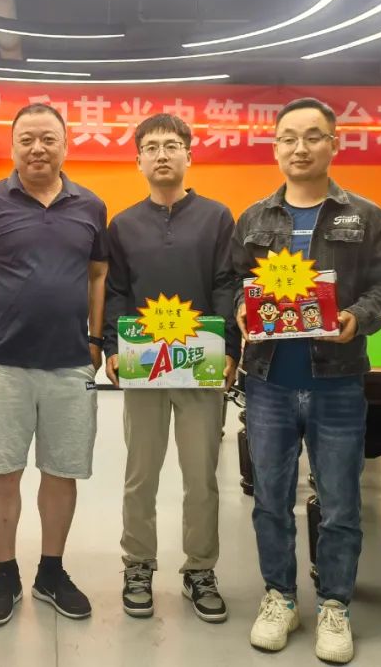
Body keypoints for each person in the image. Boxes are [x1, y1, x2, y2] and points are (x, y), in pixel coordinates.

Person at [232, 98, 381, 664]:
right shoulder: (254, 219)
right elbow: (234, 282)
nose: (299, 147)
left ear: (334, 143)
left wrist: (358, 316)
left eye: (312, 136)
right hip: (269, 383)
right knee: (270, 500)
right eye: (288, 138)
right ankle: (279, 597)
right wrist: (240, 308)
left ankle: (335, 605)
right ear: (275, 146)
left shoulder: (368, 217)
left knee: (340, 503)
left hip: (338, 382)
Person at [0, 103, 108, 627]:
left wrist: (95, 340)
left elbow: (98, 275)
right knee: (2, 471)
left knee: (62, 472)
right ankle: (5, 573)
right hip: (2, 362)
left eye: (48, 138)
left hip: (70, 364)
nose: (37, 148)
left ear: (65, 144)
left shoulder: (91, 205)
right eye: (27, 139)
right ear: (13, 145)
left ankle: (51, 572)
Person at [102, 113, 238, 623]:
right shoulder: (123, 224)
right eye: (152, 147)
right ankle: (138, 564)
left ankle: (200, 569)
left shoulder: (217, 217)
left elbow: (226, 283)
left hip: (201, 364)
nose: (162, 154)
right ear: (138, 160)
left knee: (201, 476)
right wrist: (113, 346)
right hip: (144, 366)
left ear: (189, 155)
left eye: (172, 145)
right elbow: (116, 291)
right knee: (141, 475)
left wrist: (230, 348)